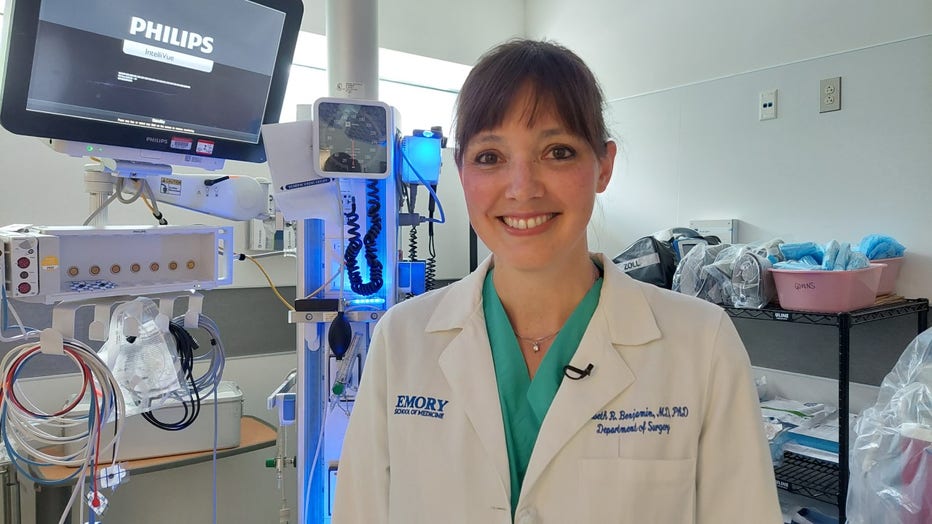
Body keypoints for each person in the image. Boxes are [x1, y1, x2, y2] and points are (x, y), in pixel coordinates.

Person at [332, 39, 782, 523]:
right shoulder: (402, 340)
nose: (523, 187)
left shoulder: (701, 344)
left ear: (603, 166)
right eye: (490, 156)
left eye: (558, 151)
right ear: (461, 172)